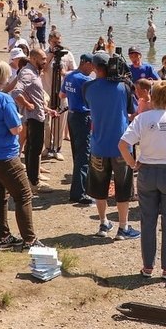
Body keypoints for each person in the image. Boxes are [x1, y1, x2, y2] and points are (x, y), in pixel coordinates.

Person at [119, 80, 166, 279]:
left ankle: (147, 267)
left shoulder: (143, 118)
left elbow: (123, 145)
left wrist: (133, 164)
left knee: (148, 221)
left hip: (147, 172)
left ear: (153, 96)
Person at [0, 60, 44, 249]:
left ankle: (3, 237)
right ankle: (30, 240)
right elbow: (15, 129)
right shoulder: (4, 99)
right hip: (3, 155)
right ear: (4, 77)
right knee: (23, 195)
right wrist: (20, 125)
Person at [83, 52, 140, 241]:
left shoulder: (88, 87)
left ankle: (103, 223)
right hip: (121, 147)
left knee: (100, 187)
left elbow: (89, 103)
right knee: (123, 188)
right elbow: (132, 109)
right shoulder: (124, 87)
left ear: (95, 68)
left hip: (98, 145)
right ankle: (123, 227)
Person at [10, 49, 56, 194]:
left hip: (37, 115)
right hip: (33, 118)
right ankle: (34, 183)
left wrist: (46, 108)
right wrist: (28, 105)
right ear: (34, 58)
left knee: (31, 149)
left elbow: (33, 95)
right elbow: (16, 92)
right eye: (43, 59)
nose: (45, 61)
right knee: (34, 150)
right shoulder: (28, 73)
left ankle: (32, 179)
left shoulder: (33, 71)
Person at [59, 54, 95, 205]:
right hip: (82, 117)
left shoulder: (69, 76)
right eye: (92, 65)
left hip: (72, 115)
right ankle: (79, 193)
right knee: (84, 155)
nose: (93, 69)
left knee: (77, 154)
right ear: (85, 63)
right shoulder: (86, 80)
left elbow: (62, 95)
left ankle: (80, 186)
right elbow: (94, 99)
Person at [42, 31, 76, 161]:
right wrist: (50, 55)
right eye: (55, 42)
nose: (57, 44)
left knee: (60, 121)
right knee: (46, 122)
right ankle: (47, 147)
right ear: (50, 40)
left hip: (62, 93)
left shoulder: (67, 54)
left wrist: (64, 73)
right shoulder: (44, 54)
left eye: (59, 42)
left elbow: (74, 72)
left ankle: (57, 148)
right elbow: (41, 69)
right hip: (47, 92)